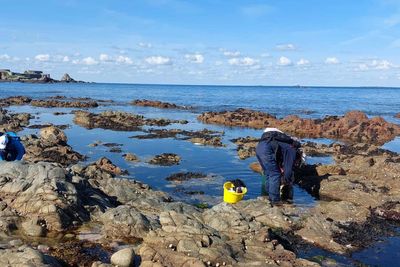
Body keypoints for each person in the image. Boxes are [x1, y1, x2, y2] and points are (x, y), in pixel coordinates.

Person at [255, 128, 302, 206]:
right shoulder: (292, 150)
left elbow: (278, 158)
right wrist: (286, 180)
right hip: (267, 150)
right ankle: (275, 200)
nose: (297, 163)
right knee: (275, 174)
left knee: (268, 173)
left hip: (259, 147)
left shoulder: (285, 145)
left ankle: (268, 196)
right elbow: (288, 169)